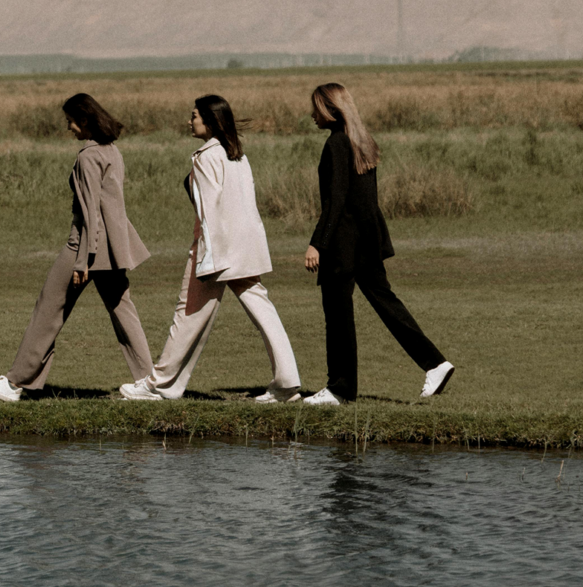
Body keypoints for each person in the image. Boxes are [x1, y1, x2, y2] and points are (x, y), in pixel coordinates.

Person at [119, 94, 301, 403]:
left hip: (217, 249)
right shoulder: (238, 155)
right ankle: (286, 382)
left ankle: (160, 385)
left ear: (210, 121)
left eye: (194, 116)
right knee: (262, 310)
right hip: (245, 246)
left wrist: (207, 259)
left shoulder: (205, 156)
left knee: (187, 314)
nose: (189, 121)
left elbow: (209, 211)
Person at [0, 93, 152, 402]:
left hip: (84, 244)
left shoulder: (87, 156)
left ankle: (16, 383)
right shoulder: (112, 151)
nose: (68, 127)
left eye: (69, 120)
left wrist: (83, 261)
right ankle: (151, 383)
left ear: (84, 120)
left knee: (49, 309)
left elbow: (90, 213)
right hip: (112, 245)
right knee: (123, 311)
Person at [302, 82, 455, 405]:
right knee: (387, 303)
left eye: (316, 108)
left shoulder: (336, 144)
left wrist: (318, 243)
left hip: (344, 244)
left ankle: (340, 389)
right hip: (366, 240)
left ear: (331, 110)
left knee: (338, 313)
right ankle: (435, 363)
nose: (312, 114)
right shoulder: (362, 141)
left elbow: (337, 200)